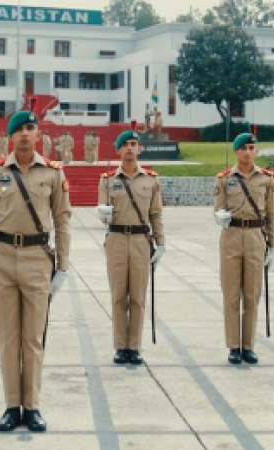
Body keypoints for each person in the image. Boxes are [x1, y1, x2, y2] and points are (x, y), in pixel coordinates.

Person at [0, 107, 71, 433]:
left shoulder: (53, 174)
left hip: (37, 257)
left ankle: (32, 407)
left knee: (32, 338)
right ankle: (10, 406)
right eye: (21, 129)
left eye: (32, 128)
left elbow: (63, 221)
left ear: (39, 135)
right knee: (7, 338)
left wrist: (64, 266)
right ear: (11, 136)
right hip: (2, 258)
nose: (27, 134)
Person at [97, 124, 165, 365]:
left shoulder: (151, 180)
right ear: (118, 151)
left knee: (137, 296)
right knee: (118, 296)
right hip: (116, 239)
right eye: (125, 145)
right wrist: (103, 213)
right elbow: (102, 213)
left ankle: (134, 346)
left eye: (133, 144)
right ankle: (120, 346)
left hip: (140, 241)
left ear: (140, 149)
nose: (129, 148)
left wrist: (161, 242)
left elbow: (156, 214)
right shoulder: (107, 180)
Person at [213, 133, 274, 365]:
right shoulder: (224, 179)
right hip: (231, 235)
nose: (248, 152)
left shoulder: (266, 179)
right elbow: (217, 208)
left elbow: (272, 216)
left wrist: (273, 245)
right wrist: (220, 216)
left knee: (252, 295)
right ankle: (233, 345)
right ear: (236, 152)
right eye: (244, 148)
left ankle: (248, 346)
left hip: (255, 236)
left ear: (256, 151)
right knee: (231, 295)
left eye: (252, 148)